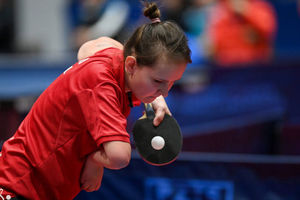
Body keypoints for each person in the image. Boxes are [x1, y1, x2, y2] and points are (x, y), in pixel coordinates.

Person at [0, 1, 191, 200]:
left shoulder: (114, 59)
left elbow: (90, 46)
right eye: (159, 81)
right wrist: (95, 158)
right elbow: (119, 156)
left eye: (171, 83)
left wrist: (155, 97)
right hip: (16, 187)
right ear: (132, 65)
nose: (165, 92)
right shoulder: (103, 85)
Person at [205, 0, 277, 67]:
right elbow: (212, 44)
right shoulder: (220, 11)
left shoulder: (259, 7)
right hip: (227, 69)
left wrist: (246, 11)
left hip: (256, 67)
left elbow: (267, 30)